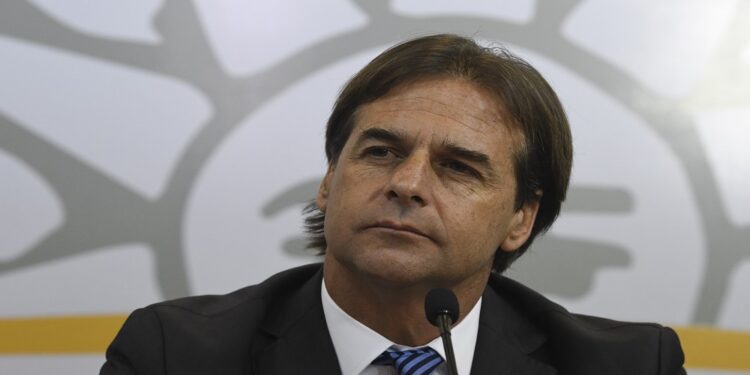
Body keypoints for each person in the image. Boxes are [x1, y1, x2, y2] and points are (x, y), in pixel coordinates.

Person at [101, 34, 686, 375]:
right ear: (330, 180)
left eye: (458, 167)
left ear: (520, 219)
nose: (407, 184)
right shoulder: (176, 357)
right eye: (381, 151)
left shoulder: (628, 367)